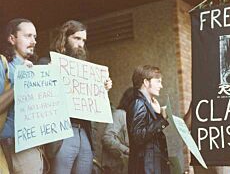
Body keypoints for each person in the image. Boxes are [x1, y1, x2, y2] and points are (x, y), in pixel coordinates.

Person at [44, 20, 112, 174]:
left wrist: (101, 89)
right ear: (64, 38)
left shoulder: (86, 70)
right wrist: (46, 74)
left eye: (83, 40)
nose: (81, 44)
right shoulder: (48, 62)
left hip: (84, 133)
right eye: (76, 38)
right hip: (63, 133)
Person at [0, 18, 44, 174]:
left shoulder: (36, 70)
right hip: (9, 145)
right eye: (28, 36)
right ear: (12, 39)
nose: (33, 41)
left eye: (35, 37)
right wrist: (21, 81)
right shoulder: (3, 65)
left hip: (31, 145)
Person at [127, 65, 170, 174]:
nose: (161, 86)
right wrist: (162, 120)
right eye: (158, 81)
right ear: (146, 82)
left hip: (149, 166)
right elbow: (138, 136)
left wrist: (158, 116)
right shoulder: (138, 103)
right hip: (145, 167)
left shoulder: (144, 104)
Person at [101, 87, 134, 174]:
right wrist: (126, 150)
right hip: (117, 167)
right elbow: (107, 138)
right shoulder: (120, 114)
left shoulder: (134, 117)